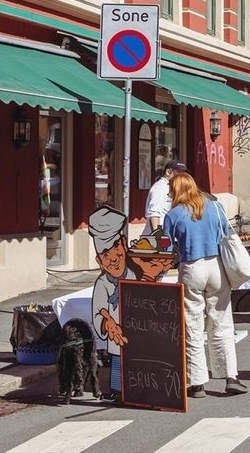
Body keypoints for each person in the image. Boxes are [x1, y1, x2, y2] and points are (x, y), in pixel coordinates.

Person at [162, 173, 245, 398]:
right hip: (216, 266)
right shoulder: (215, 207)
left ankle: (196, 383)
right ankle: (231, 377)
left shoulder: (173, 215)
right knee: (222, 322)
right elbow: (226, 233)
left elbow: (166, 248)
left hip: (191, 267)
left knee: (192, 326)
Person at [87, 206, 136, 402]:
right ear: (99, 260)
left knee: (137, 361)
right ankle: (117, 390)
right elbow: (98, 313)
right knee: (117, 360)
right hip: (116, 341)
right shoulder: (102, 284)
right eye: (105, 255)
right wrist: (107, 324)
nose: (113, 258)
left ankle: (139, 387)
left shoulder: (135, 274)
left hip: (137, 333)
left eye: (116, 248)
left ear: (124, 245)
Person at [143, 160, 180, 235]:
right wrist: (157, 236)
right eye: (178, 173)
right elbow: (154, 214)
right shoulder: (160, 187)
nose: (181, 176)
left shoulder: (171, 188)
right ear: (168, 172)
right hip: (158, 237)